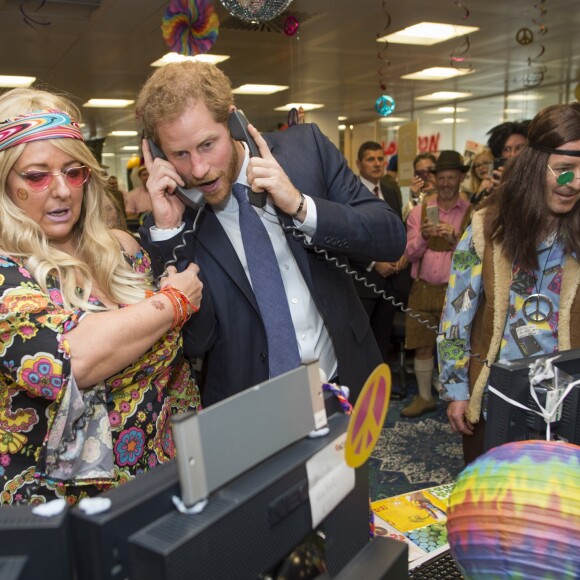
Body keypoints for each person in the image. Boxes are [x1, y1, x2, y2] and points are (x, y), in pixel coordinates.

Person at [136, 61, 406, 407]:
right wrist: (171, 232)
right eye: (180, 155)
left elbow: (390, 236)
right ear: (160, 156)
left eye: (207, 145)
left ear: (233, 121)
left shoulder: (306, 151)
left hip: (344, 384)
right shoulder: (170, 223)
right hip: (256, 411)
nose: (199, 170)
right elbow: (195, 342)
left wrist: (300, 206)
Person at [0, 88, 203, 505]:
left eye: (74, 172)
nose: (62, 191)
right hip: (62, 511)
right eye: (37, 175)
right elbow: (71, 359)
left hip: (164, 480)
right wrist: (172, 302)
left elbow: (178, 361)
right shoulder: (8, 268)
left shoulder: (121, 249)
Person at [437, 103, 580, 464]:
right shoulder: (486, 228)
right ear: (535, 167)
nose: (575, 183)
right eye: (565, 171)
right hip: (494, 401)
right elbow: (457, 314)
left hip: (568, 403)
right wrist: (456, 388)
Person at [402, 151, 472, 418]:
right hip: (421, 288)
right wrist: (421, 236)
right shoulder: (419, 212)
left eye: (451, 178)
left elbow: (474, 260)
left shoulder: (471, 213)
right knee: (422, 344)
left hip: (455, 291)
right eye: (441, 177)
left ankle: (454, 399)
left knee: (453, 345)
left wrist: (455, 239)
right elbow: (409, 254)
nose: (445, 183)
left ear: (461, 178)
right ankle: (424, 397)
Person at [352, 141, 410, 399]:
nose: (377, 163)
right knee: (361, 343)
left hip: (392, 281)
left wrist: (402, 252)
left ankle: (379, 393)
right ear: (359, 164)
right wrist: (375, 263)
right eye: (370, 159)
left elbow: (397, 227)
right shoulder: (348, 192)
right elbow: (345, 237)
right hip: (363, 281)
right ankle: (361, 394)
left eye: (380, 159)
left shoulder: (391, 189)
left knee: (383, 339)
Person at [402, 153, 437, 223]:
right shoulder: (417, 199)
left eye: (429, 170)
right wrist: (415, 198)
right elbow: (408, 223)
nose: (426, 175)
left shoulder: (449, 193)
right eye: (420, 173)